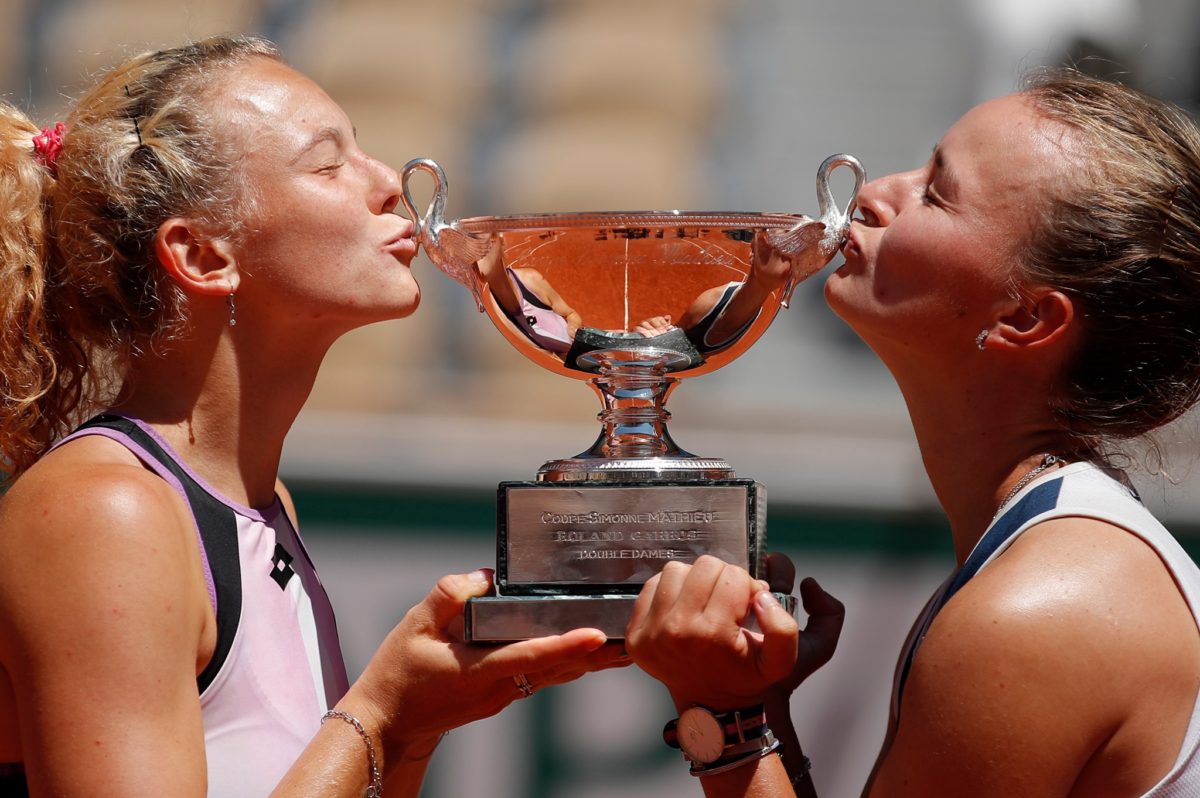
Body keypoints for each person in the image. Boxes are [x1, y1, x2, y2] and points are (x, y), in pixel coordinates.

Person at [0, 36, 628, 797]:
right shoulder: (104, 512)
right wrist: (382, 714)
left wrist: (416, 727)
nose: (389, 184)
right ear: (202, 256)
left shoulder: (265, 505)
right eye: (328, 164)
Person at [626, 67, 1200, 798]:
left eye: (936, 193)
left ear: (1025, 318)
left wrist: (722, 714)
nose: (872, 193)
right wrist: (759, 710)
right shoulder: (1049, 564)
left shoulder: (1034, 613)